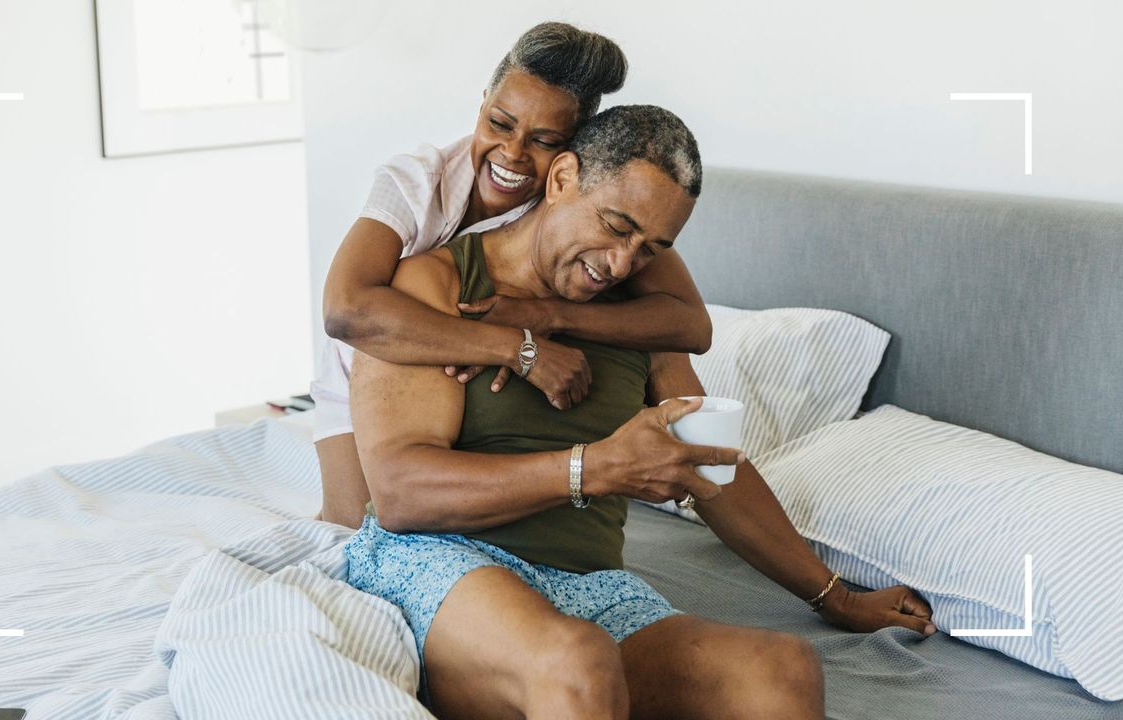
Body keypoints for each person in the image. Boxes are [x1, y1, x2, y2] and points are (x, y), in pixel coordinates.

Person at [345, 105, 937, 720]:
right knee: (575, 660)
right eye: (615, 225)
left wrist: (834, 597)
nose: (623, 263)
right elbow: (402, 493)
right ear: (563, 177)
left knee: (780, 670)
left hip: (587, 585)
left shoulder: (635, 316)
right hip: (436, 558)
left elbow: (711, 468)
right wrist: (596, 468)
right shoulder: (436, 286)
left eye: (650, 248)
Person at [313, 22, 714, 529]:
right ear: (482, 104)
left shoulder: (594, 223)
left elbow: (692, 327)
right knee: (349, 536)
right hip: (365, 364)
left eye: (543, 140)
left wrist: (551, 315)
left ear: (570, 158)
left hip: (452, 393)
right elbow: (346, 310)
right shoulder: (415, 181)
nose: (513, 153)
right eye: (500, 124)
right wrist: (517, 348)